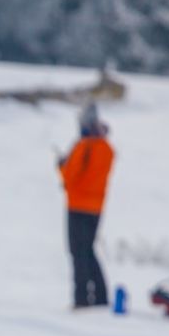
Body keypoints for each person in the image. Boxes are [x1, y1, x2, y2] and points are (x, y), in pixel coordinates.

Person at [58, 103, 114, 308]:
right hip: (96, 208)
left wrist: (61, 166)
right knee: (88, 250)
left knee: (77, 252)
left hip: (77, 205)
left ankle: (81, 298)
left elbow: (70, 178)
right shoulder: (107, 149)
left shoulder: (84, 146)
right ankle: (100, 295)